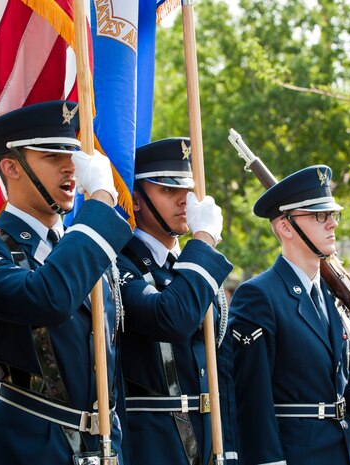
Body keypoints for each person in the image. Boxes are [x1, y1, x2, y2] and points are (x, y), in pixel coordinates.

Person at [0, 100, 133, 464]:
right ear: (11, 167)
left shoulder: (89, 247)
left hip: (107, 449)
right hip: (29, 447)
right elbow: (45, 298)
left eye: (73, 153)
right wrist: (100, 202)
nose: (70, 166)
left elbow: (111, 369)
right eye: (51, 156)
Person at [229, 165, 350, 465]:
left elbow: (342, 389)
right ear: (285, 227)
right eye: (320, 215)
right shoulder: (259, 296)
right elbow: (252, 401)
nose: (332, 223)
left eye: (333, 214)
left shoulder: (333, 297)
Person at [116, 138, 238, 465]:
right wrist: (204, 240)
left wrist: (229, 448)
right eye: (169, 190)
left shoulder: (189, 266)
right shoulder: (120, 264)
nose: (184, 200)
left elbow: (217, 367)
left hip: (207, 439)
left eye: (187, 190)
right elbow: (170, 317)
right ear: (136, 200)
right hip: (152, 445)